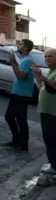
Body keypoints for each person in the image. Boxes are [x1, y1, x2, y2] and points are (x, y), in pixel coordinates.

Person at [3, 39, 35, 152]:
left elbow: (21, 76)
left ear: (25, 48)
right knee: (9, 117)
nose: (18, 45)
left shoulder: (27, 60)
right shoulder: (24, 60)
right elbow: (19, 71)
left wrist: (12, 63)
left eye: (20, 44)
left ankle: (23, 145)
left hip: (21, 95)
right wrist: (14, 62)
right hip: (17, 93)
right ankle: (17, 140)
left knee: (21, 120)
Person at [34, 48, 56, 186]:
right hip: (46, 111)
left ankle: (55, 167)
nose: (47, 59)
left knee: (52, 139)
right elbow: (42, 85)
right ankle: (53, 164)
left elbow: (54, 86)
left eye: (50, 56)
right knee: (48, 139)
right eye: (46, 56)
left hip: (53, 113)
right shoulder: (50, 71)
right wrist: (37, 75)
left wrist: (42, 76)